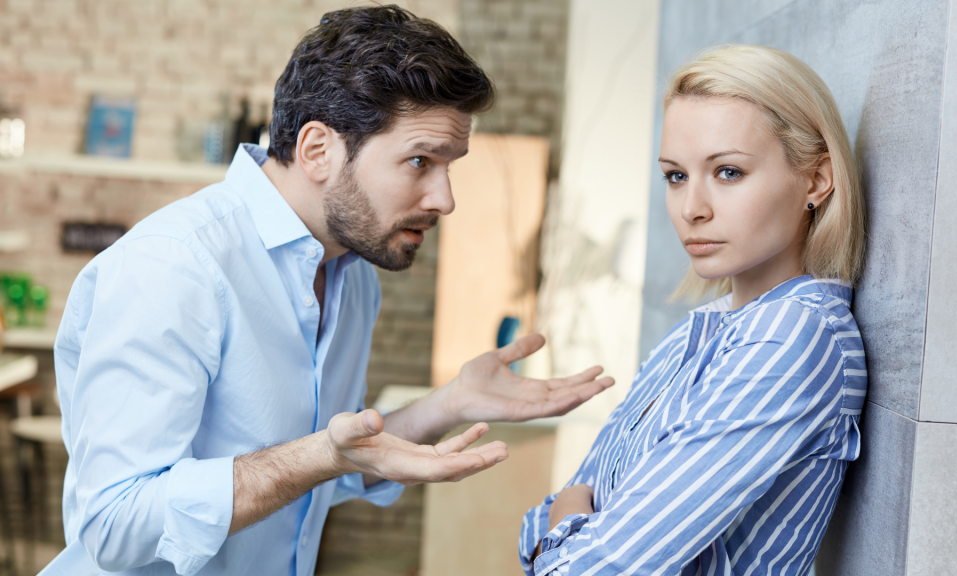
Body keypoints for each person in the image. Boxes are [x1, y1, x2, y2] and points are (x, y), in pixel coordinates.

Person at [42, 6, 614, 576]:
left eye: (449, 165)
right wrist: (319, 453)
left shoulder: (352, 272)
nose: (445, 198)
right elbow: (113, 525)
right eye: (419, 161)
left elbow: (324, 471)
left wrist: (451, 403)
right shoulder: (175, 266)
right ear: (318, 150)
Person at [519, 44, 867, 576]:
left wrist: (560, 533)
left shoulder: (793, 337)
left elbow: (578, 557)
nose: (691, 209)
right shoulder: (697, 332)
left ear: (817, 180)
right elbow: (559, 509)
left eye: (728, 172)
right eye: (676, 175)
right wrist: (565, 525)